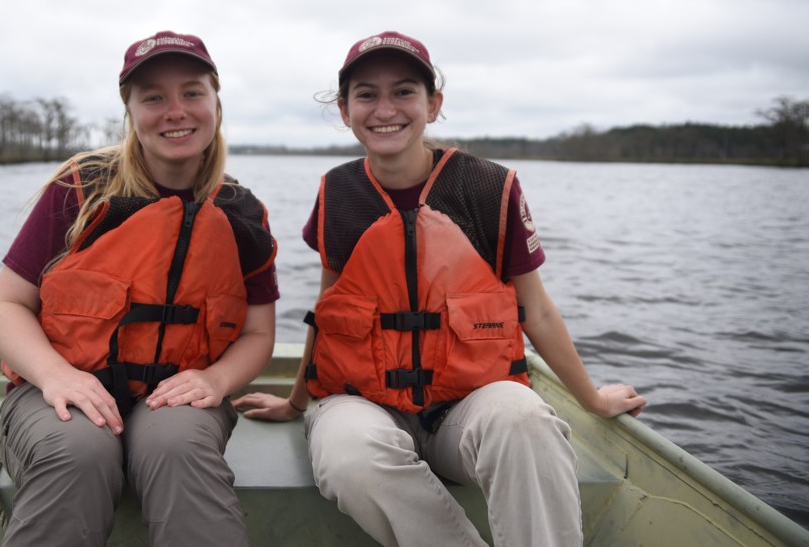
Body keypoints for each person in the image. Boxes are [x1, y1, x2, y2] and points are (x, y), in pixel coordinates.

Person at [233, 31, 646, 546]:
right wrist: (295, 404)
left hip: (466, 407)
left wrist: (593, 401)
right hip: (365, 403)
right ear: (344, 110)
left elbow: (535, 311)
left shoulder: (489, 189)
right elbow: (331, 314)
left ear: (434, 104)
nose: (385, 109)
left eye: (404, 91)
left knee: (526, 422)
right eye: (366, 94)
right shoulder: (336, 193)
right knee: (347, 457)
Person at [0, 31, 278, 547]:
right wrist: (55, 376)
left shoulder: (239, 210)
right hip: (60, 388)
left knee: (178, 447)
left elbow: (257, 332)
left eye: (192, 92)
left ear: (215, 103)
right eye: (153, 97)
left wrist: (216, 379)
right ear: (130, 110)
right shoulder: (82, 186)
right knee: (79, 451)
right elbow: (8, 307)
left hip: (175, 397)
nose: (175, 111)